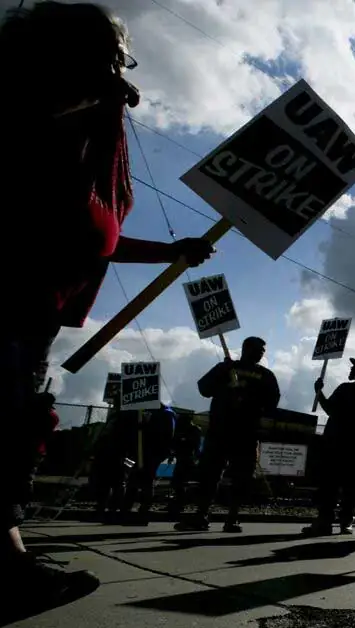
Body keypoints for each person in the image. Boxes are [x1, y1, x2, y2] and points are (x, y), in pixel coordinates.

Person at [0, 2, 213, 613]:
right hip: (7, 304)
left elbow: (97, 237)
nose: (120, 74)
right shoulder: (29, 126)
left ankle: (9, 566)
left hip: (34, 313)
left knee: (9, 433)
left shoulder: (79, 139)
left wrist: (170, 251)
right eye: (114, 61)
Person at [176, 337, 280, 533]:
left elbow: (272, 402)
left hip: (246, 434)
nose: (261, 354)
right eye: (258, 349)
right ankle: (201, 515)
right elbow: (203, 388)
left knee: (242, 478)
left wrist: (249, 400)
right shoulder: (226, 368)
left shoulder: (265, 375)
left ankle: (232, 518)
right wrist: (223, 375)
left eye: (263, 351)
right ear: (246, 348)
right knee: (210, 475)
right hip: (220, 431)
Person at [303, 358, 355, 536]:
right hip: (353, 448)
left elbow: (329, 409)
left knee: (333, 485)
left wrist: (319, 392)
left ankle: (329, 521)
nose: (351, 369)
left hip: (341, 446)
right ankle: (344, 521)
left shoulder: (347, 390)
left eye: (353, 367)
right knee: (348, 486)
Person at [119, 405, 175, 526]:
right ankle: (129, 510)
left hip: (152, 453)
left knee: (145, 481)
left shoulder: (165, 414)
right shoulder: (155, 413)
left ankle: (141, 512)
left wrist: (144, 427)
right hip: (143, 452)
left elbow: (163, 436)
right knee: (135, 480)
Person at [167, 413, 203, 519]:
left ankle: (181, 502)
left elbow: (194, 444)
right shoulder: (182, 430)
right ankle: (180, 501)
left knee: (179, 481)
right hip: (183, 458)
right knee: (179, 482)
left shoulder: (193, 430)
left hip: (188, 458)